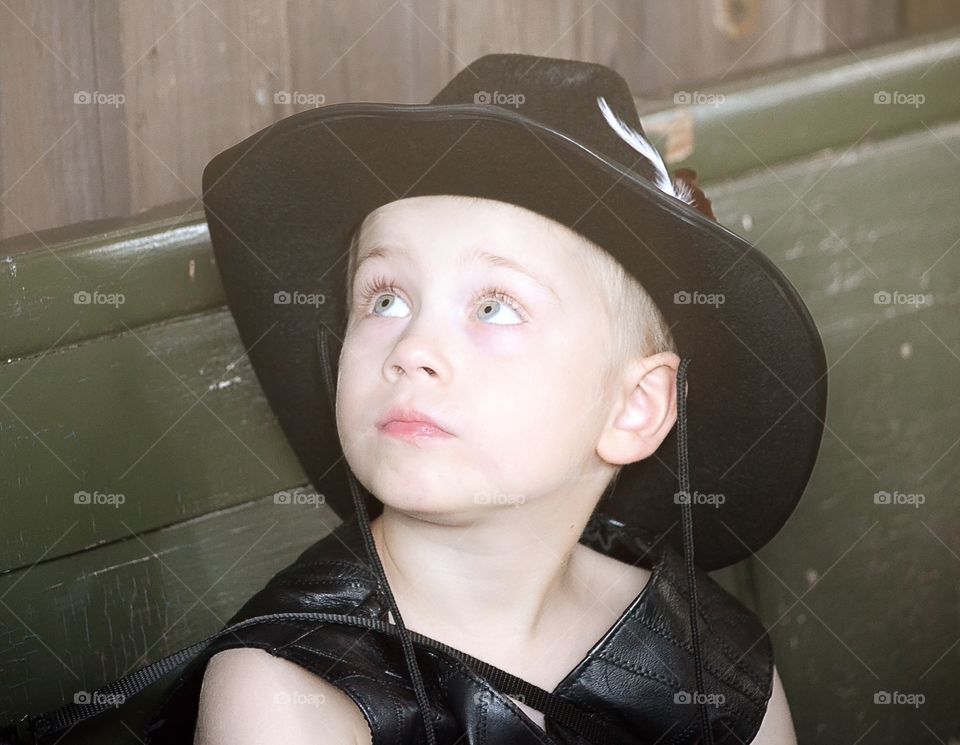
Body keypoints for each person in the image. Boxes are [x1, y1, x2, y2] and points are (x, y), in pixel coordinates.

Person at [0, 52, 826, 745]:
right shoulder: (290, 696)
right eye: (386, 297)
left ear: (634, 409)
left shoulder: (706, 658)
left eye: (495, 307)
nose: (413, 349)